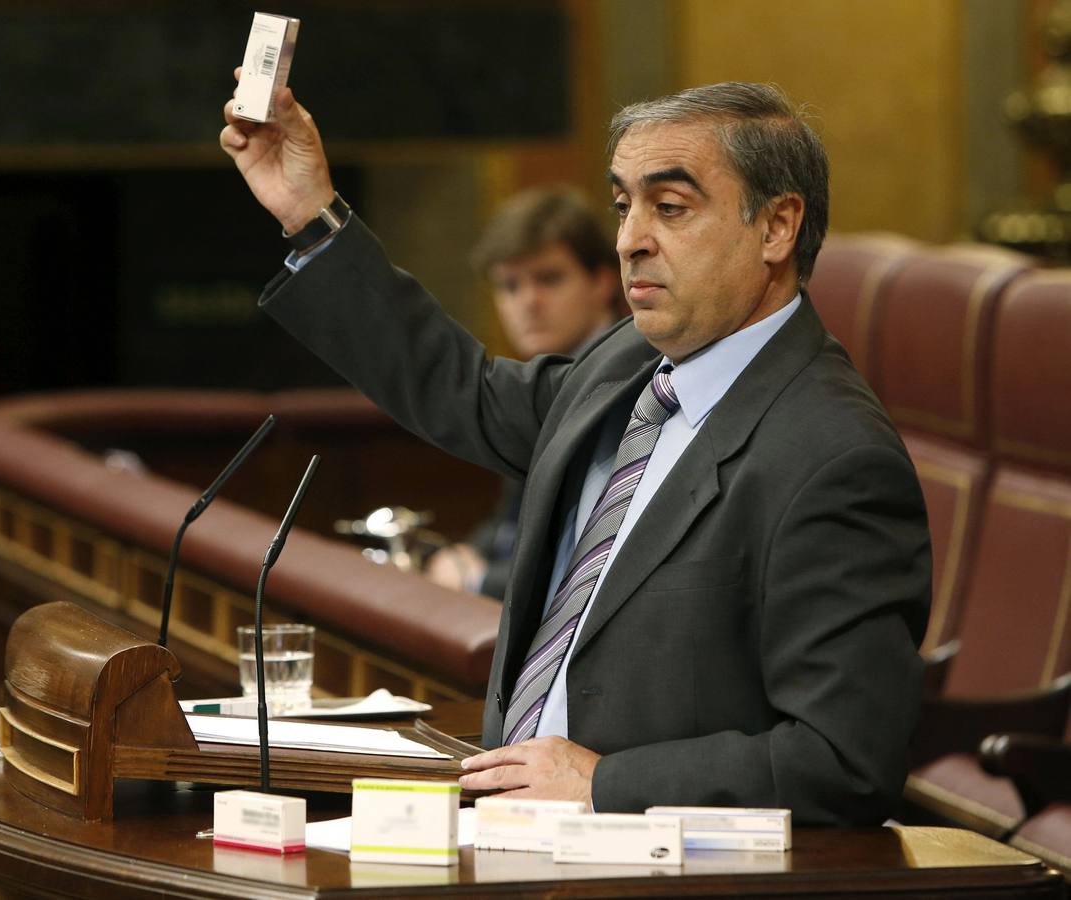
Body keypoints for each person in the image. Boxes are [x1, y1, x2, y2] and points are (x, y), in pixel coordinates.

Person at [220, 77, 930, 825]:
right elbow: (461, 391)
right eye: (624, 205)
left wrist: (607, 782)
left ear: (777, 227)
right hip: (507, 830)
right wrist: (309, 211)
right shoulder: (626, 362)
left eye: (672, 207)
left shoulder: (834, 458)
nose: (630, 239)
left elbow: (846, 762)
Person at [425, 187, 623, 598]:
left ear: (603, 281)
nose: (528, 302)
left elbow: (598, 561)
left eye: (549, 279)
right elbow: (511, 525)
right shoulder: (533, 379)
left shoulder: (631, 385)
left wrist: (476, 580)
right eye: (510, 286)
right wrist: (464, 556)